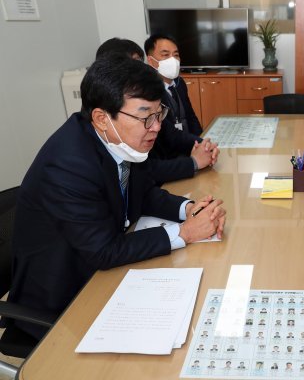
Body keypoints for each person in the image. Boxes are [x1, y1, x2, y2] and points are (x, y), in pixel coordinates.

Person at [6, 56, 226, 340]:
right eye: (146, 116)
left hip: (104, 272)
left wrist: (189, 209)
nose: (156, 127)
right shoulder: (67, 165)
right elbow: (103, 251)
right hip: (65, 296)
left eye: (159, 114)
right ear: (101, 118)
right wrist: (185, 232)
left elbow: (144, 193)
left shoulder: (121, 139)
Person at [96, 37, 219, 185]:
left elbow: (170, 133)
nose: (156, 126)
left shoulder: (147, 97)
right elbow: (146, 171)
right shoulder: (82, 155)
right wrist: (193, 162)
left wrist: (203, 145)